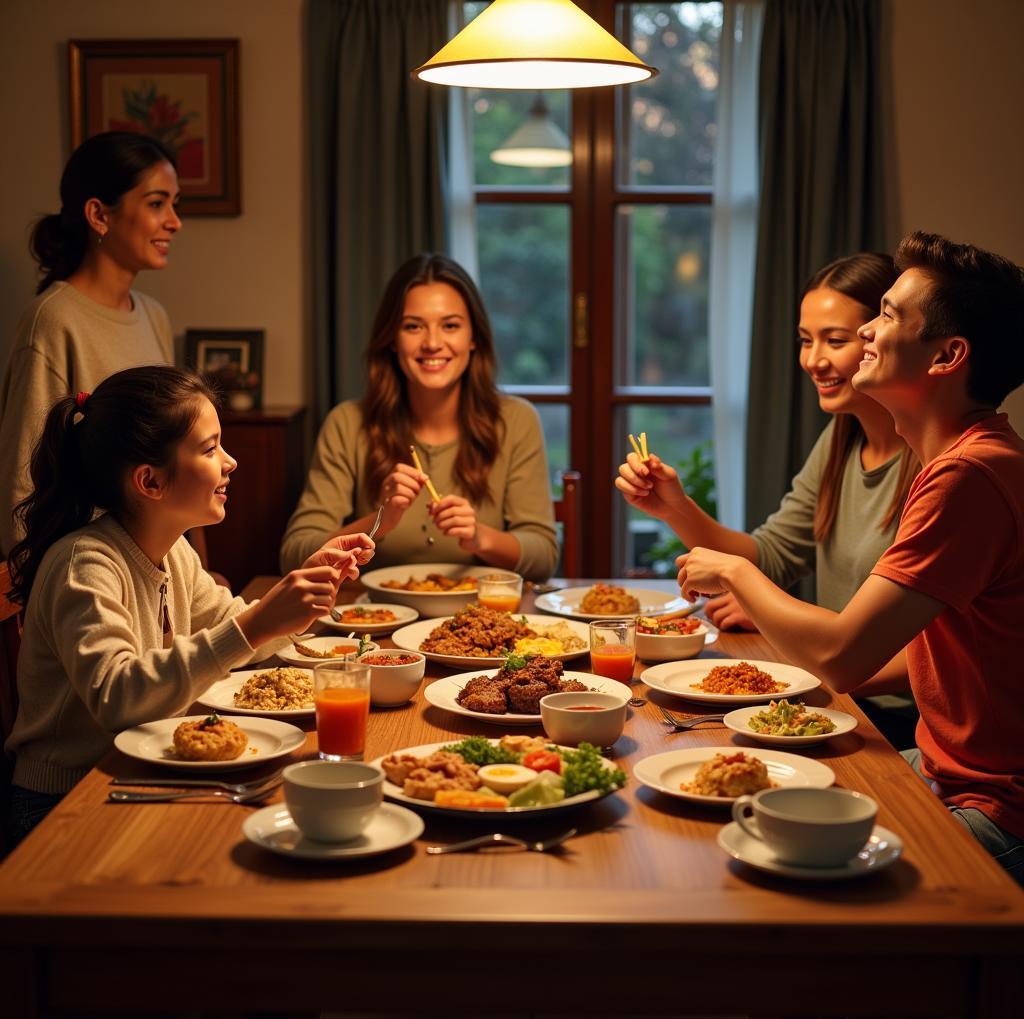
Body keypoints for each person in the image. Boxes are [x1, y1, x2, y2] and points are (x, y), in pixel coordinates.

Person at [677, 232, 1024, 884]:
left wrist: (734, 571)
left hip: (995, 810)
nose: (865, 335)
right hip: (942, 770)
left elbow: (844, 656)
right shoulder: (960, 460)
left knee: (765, 877)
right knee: (736, 810)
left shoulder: (969, 477)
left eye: (888, 317)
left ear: (947, 356)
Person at [4, 366, 374, 846]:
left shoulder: (172, 550)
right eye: (210, 448)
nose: (231, 461)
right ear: (150, 482)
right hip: (65, 801)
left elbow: (231, 625)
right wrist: (258, 623)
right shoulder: (85, 564)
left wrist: (300, 595)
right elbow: (118, 697)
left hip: (136, 772)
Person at [616, 253, 919, 728]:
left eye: (835, 340)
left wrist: (790, 630)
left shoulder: (935, 464)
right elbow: (771, 556)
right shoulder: (841, 441)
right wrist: (674, 507)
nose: (813, 360)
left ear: (879, 337)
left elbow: (931, 654)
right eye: (805, 341)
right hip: (832, 688)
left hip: (890, 713)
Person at [280, 253, 558, 581]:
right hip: (375, 621)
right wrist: (381, 520)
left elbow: (544, 558)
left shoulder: (516, 422)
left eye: (450, 325)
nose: (432, 343)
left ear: (473, 339)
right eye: (413, 326)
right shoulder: (347, 423)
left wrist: (479, 538)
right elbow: (295, 557)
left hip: (483, 620)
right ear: (393, 340)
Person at [0, 132, 184, 556]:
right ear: (99, 215)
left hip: (155, 567)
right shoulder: (52, 321)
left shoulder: (153, 315)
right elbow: (21, 490)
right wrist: (49, 595)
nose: (174, 221)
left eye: (175, 204)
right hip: (89, 576)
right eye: (157, 203)